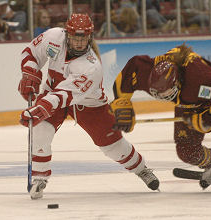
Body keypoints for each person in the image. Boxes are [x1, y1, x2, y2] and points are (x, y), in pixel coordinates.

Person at [18, 13, 159, 200]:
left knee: (114, 146)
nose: (79, 42)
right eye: (75, 37)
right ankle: (39, 178)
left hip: (89, 105)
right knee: (40, 130)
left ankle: (142, 169)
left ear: (90, 37)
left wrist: (42, 107)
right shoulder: (53, 37)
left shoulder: (91, 66)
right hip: (53, 94)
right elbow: (31, 52)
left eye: (83, 38)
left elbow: (66, 94)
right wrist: (30, 72)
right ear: (67, 34)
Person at [111, 43, 211, 174]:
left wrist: (206, 120)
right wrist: (122, 103)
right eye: (158, 94)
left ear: (177, 82)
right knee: (186, 151)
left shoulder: (199, 79)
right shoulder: (146, 73)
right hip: (188, 102)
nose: (163, 97)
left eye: (167, 93)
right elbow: (131, 69)